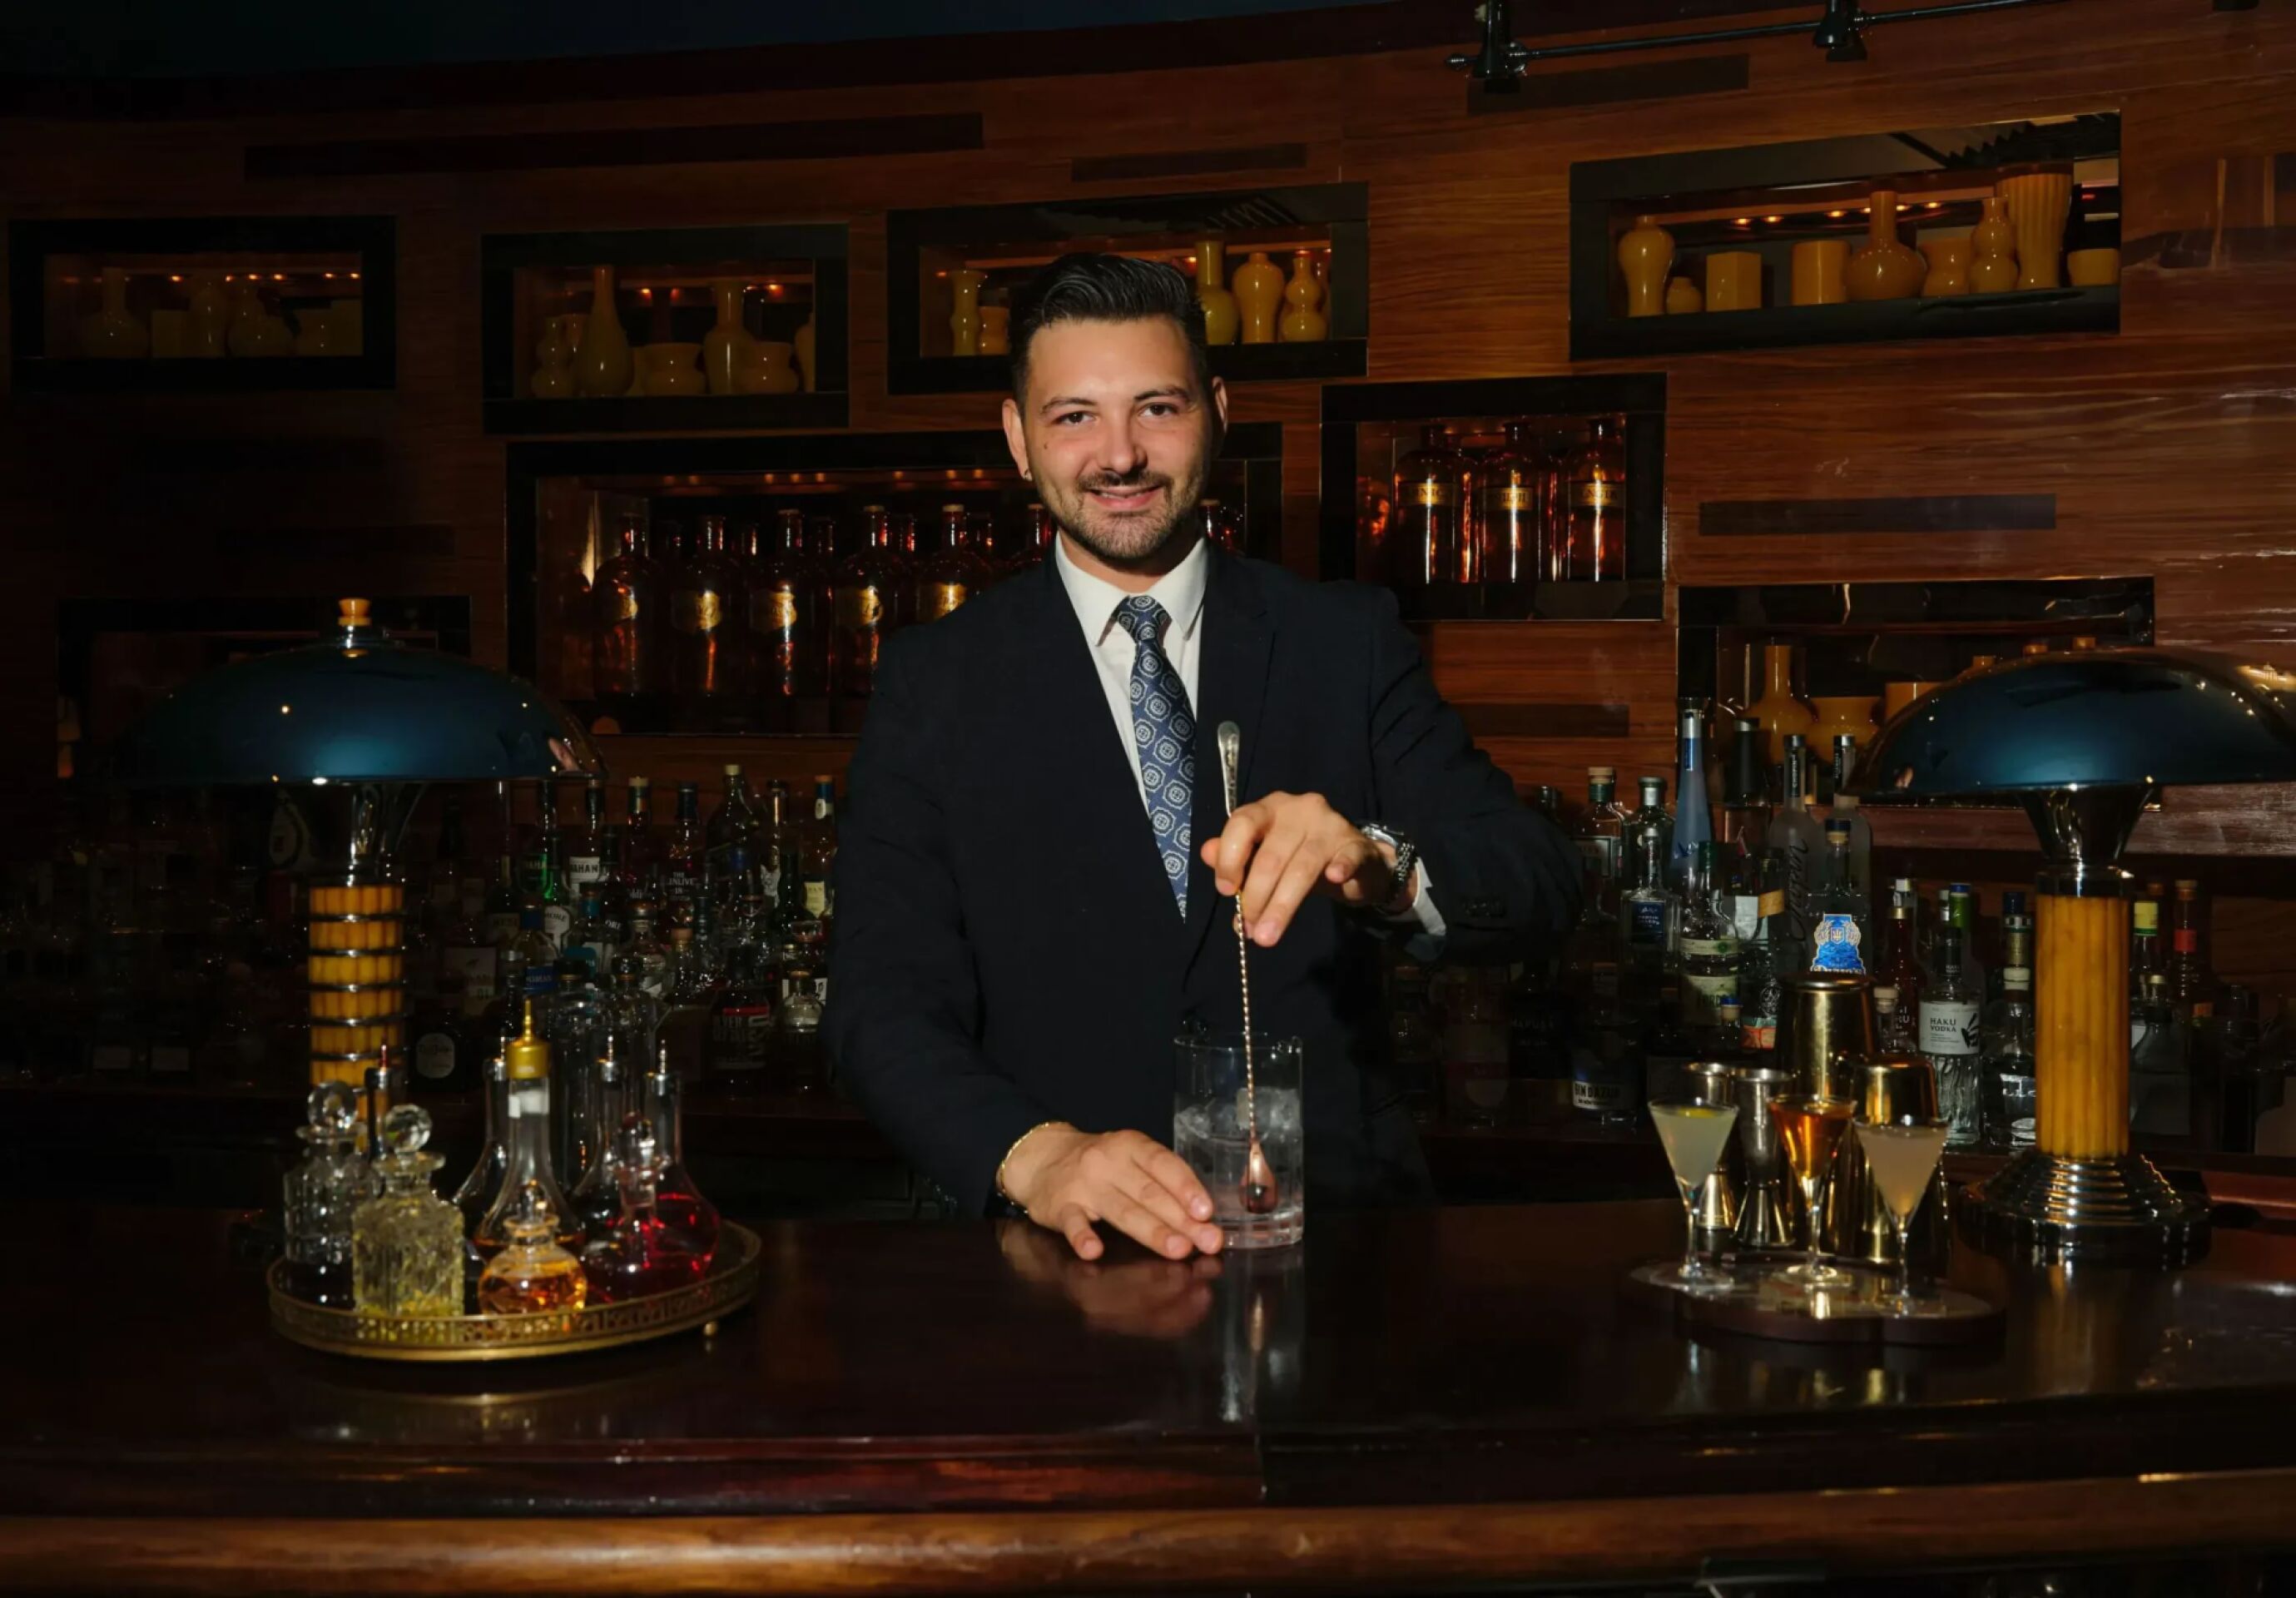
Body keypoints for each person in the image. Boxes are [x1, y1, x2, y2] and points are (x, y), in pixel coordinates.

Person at [826, 252, 1580, 1261]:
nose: (1120, 456)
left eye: (1157, 408)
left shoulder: (1339, 641)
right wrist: (1032, 1156)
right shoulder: (936, 682)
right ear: (1017, 438)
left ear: (1217, 414)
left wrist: (1379, 860)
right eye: (1073, 417)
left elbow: (1539, 881)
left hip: (1343, 1259)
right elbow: (878, 1004)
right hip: (1064, 1273)